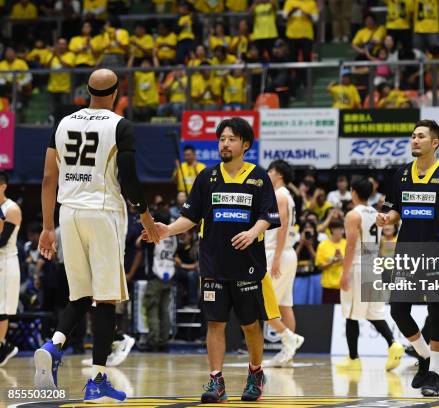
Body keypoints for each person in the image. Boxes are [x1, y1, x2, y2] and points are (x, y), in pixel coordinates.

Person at [36, 69, 159, 402]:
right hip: (103, 214)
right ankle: (97, 380)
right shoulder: (120, 125)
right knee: (105, 299)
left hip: (68, 213)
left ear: (86, 91)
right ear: (117, 92)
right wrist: (146, 218)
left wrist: (48, 227)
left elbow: (48, 178)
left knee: (80, 295)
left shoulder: (63, 123)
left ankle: (53, 345)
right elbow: (130, 179)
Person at [141, 117, 281, 403]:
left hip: (248, 265)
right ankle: (216, 381)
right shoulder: (207, 177)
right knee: (214, 323)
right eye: (221, 139)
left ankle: (255, 373)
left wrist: (253, 231)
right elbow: (191, 217)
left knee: (250, 325)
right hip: (213, 265)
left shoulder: (259, 177)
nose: (225, 143)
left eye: (231, 139)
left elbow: (269, 216)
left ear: (245, 144)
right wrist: (167, 230)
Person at [377, 120, 439, 396]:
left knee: (437, 312)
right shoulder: (402, 175)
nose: (415, 140)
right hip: (406, 254)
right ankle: (425, 357)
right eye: (413, 136)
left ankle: (434, 375)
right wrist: (386, 218)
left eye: (421, 136)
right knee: (398, 310)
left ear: (435, 144)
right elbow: (394, 210)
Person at [336, 176, 404, 371]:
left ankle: (353, 359)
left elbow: (350, 246)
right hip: (374, 264)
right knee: (374, 313)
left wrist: (344, 273)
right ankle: (393, 343)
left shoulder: (353, 215)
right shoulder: (376, 213)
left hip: (358, 265)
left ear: (353, 192)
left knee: (351, 314)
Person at [265, 160, 305, 367]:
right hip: (287, 252)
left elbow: (281, 228)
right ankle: (289, 351)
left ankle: (290, 338)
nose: (267, 174)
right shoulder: (288, 196)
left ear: (278, 174)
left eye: (270, 171)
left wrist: (276, 258)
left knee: (262, 306)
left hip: (277, 253)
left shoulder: (280, 195)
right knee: (284, 304)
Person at [143, 209, 178, 352]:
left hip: (155, 274)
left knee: (152, 309)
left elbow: (144, 246)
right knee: (165, 310)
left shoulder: (155, 233)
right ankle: (164, 341)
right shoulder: (173, 234)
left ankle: (153, 341)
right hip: (169, 273)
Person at [0, 171, 21, 367]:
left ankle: (3, 347)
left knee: (2, 308)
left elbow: (1, 241)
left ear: (3, 186)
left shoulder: (11, 209)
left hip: (5, 264)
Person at [316, 220, 346, 304]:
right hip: (328, 286)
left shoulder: (347, 244)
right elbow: (319, 266)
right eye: (339, 229)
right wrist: (332, 261)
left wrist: (341, 259)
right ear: (332, 230)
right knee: (327, 311)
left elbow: (352, 265)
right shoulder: (323, 245)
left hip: (343, 286)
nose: (342, 232)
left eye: (342, 229)